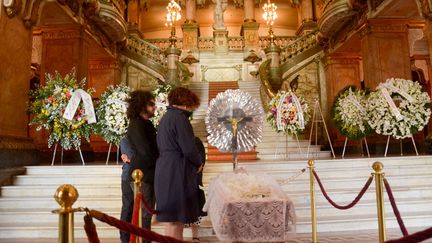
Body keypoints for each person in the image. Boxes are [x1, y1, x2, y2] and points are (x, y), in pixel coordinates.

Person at [154, 87, 204, 240]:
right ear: (185, 102)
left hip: (164, 168)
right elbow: (188, 148)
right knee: (177, 220)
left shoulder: (166, 117)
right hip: (176, 169)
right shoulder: (180, 118)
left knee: (170, 221)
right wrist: (198, 162)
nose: (190, 108)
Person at [124, 90, 159, 243]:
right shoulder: (136, 124)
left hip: (148, 173)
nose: (155, 107)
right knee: (144, 215)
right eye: (151, 104)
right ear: (142, 105)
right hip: (141, 174)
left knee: (147, 215)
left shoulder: (146, 123)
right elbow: (145, 152)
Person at [186, 137, 207, 242]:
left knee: (196, 208)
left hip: (194, 180)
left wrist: (197, 167)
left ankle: (195, 235)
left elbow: (202, 160)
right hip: (181, 180)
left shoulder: (196, 141)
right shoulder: (177, 141)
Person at [119, 137, 134, 243]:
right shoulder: (126, 140)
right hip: (128, 177)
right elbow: (130, 158)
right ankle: (124, 239)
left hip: (144, 177)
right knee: (127, 208)